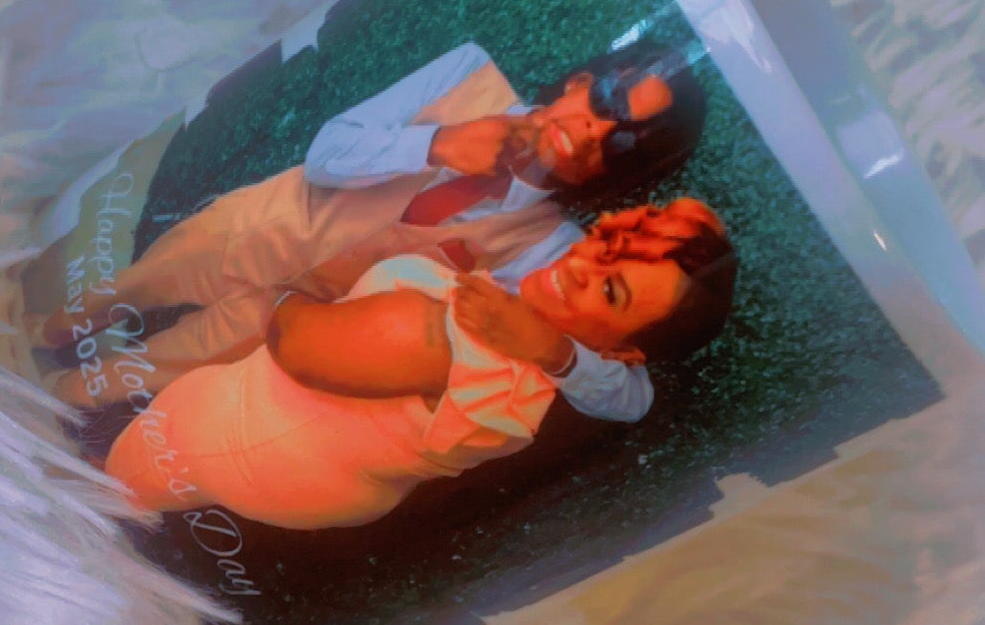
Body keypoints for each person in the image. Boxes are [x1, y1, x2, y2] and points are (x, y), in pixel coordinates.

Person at [30, 37, 707, 432]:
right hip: (257, 227)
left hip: (297, 312)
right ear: (583, 80)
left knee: (171, 363)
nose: (594, 131)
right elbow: (328, 152)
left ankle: (48, 406)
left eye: (623, 144)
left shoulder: (549, 247)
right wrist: (436, 144)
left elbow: (632, 401)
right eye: (610, 103)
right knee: (139, 283)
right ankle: (49, 325)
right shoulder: (469, 73)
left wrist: (554, 352)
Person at [102, 199, 736, 533]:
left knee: (108, 493)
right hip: (304, 456)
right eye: (607, 246)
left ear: (623, 352)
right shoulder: (525, 356)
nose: (580, 266)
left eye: (610, 291)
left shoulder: (458, 341)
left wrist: (296, 289)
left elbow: (300, 346)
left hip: (244, 433)